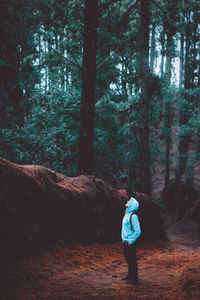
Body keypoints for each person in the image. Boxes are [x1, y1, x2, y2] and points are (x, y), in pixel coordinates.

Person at [121, 196, 141, 284]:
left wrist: (131, 240)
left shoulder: (133, 216)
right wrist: (124, 239)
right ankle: (130, 275)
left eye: (129, 201)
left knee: (132, 260)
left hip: (130, 242)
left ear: (132, 205)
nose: (127, 201)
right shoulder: (127, 214)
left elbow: (138, 231)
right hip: (125, 241)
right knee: (128, 259)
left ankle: (134, 278)